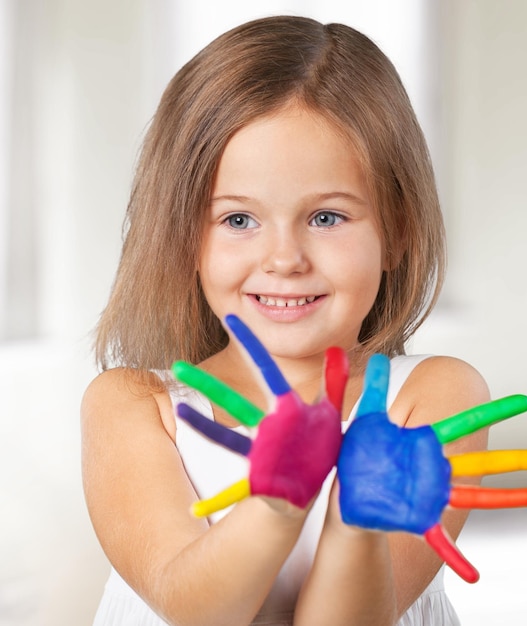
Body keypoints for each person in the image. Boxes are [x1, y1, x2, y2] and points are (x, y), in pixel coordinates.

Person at [81, 15, 490, 626]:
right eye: (238, 220)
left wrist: (356, 522)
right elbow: (197, 611)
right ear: (183, 237)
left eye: (326, 217)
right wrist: (277, 502)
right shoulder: (134, 406)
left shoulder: (430, 398)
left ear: (398, 229)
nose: (284, 260)